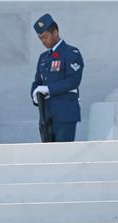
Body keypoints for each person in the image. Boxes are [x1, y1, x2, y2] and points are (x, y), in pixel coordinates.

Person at [31, 13, 84, 142]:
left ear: (55, 32)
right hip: (46, 114)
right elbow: (37, 81)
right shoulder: (43, 58)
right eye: (40, 38)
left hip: (65, 113)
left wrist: (48, 89)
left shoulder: (71, 53)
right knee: (49, 157)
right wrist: (34, 93)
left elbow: (73, 81)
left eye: (45, 37)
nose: (43, 41)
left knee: (63, 155)